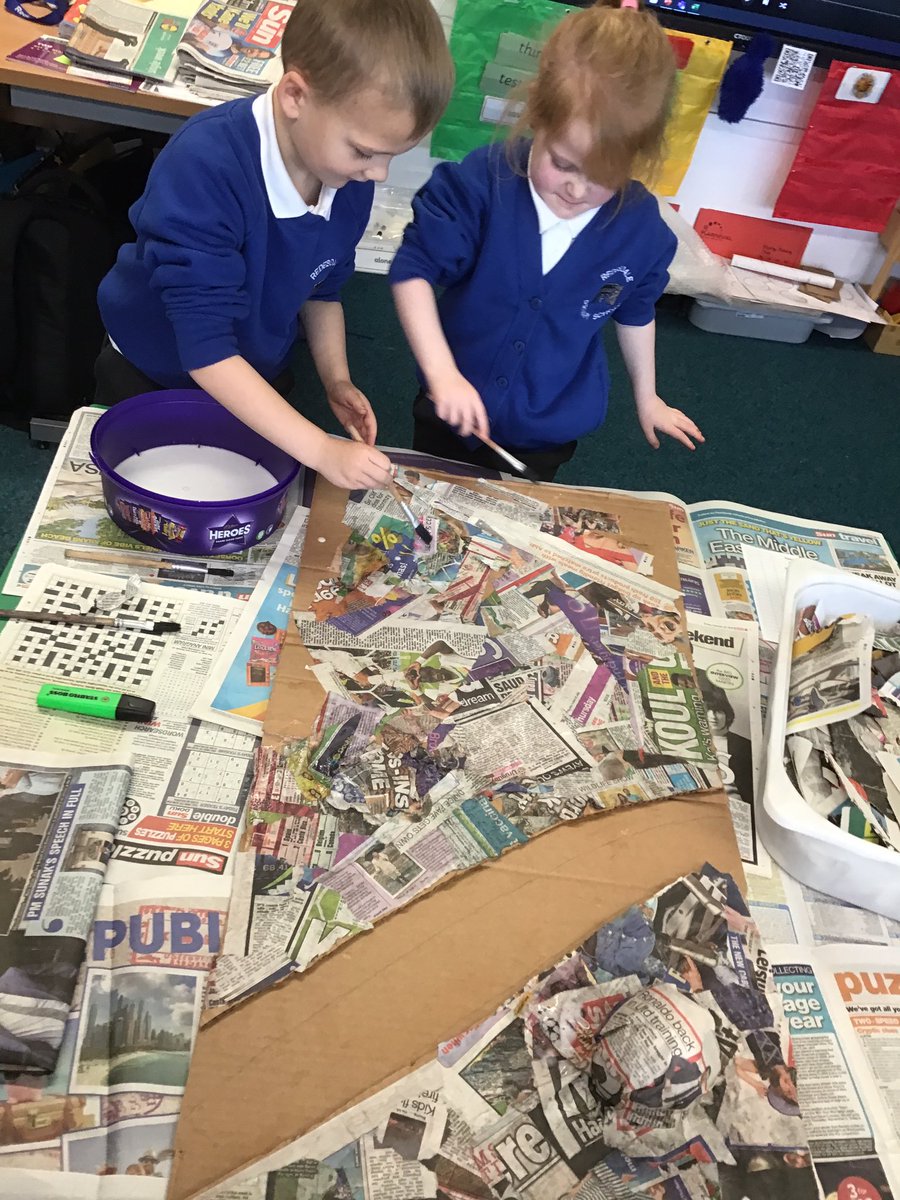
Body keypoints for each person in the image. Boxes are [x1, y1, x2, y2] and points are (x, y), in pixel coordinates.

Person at [95, 0, 454, 491]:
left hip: (256, 371)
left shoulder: (346, 177)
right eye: (366, 151)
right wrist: (323, 449)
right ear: (295, 96)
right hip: (153, 370)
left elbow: (323, 288)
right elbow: (204, 350)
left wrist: (336, 378)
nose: (378, 174)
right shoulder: (205, 165)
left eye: (393, 156)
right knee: (155, 500)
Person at [389, 0, 704, 481]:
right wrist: (442, 374)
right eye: (562, 163)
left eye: (603, 176)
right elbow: (413, 270)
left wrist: (648, 397)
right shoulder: (483, 183)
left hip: (546, 425)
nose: (577, 190)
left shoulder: (641, 230)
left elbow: (635, 311)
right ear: (536, 117)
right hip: (447, 406)